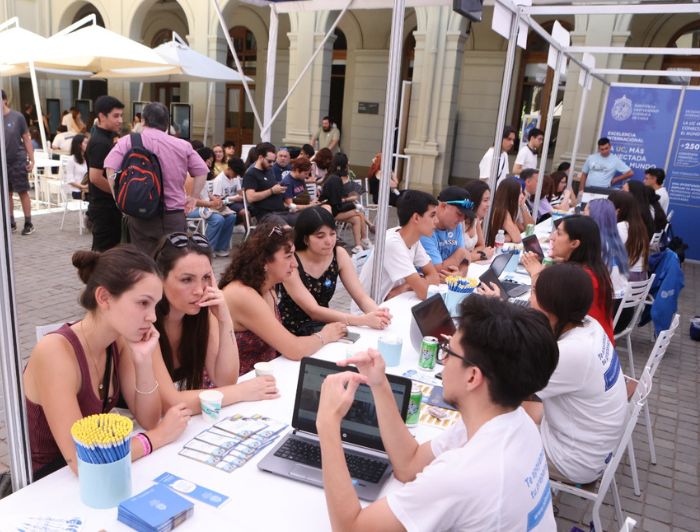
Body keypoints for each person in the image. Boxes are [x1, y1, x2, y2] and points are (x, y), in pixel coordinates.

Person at [316, 295, 559, 531]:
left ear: (472, 377)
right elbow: (408, 465)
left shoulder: (462, 474)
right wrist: (379, 384)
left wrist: (327, 424)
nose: (442, 360)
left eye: (448, 351)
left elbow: (350, 528)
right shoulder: (514, 421)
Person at [23, 246, 191, 480]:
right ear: (103, 297)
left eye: (155, 305)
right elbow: (83, 460)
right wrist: (159, 437)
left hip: (98, 471)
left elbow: (149, 419)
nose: (152, 317)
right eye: (143, 303)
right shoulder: (55, 352)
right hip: (48, 480)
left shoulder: (118, 340)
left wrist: (143, 361)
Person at [150, 233, 278, 410]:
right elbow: (168, 401)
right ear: (160, 279)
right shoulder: (146, 321)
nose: (199, 290)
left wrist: (224, 319)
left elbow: (225, 380)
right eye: (187, 279)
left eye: (205, 278)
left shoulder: (203, 313)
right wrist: (241, 392)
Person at [525, 263, 627, 484]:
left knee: (489, 426)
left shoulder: (572, 352)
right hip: (591, 442)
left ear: (550, 306)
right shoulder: (590, 325)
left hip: (573, 460)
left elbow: (510, 387)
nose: (529, 300)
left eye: (533, 292)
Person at [219, 221, 346, 375]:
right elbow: (294, 349)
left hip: (262, 377)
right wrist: (325, 335)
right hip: (238, 384)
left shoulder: (267, 287)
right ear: (264, 261)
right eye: (288, 256)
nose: (295, 264)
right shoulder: (243, 294)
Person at [104, 102, 208, 254]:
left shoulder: (128, 141)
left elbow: (110, 167)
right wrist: (194, 197)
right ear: (167, 123)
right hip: (173, 214)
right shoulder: (182, 145)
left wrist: (118, 197)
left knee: (145, 260)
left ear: (143, 121)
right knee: (174, 260)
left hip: (141, 213)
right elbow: (202, 171)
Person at [278, 206, 391, 335]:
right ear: (305, 239)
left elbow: (361, 297)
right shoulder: (292, 261)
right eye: (320, 236)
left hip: (325, 325)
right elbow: (313, 310)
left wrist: (378, 314)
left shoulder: (339, 254)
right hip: (291, 330)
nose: (329, 241)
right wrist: (362, 320)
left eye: (332, 234)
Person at [523, 215, 615, 343]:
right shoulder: (592, 268)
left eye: (559, 233)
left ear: (574, 243)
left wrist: (535, 274)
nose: (552, 237)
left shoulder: (581, 278)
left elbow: (542, 309)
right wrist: (563, 261)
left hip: (584, 344)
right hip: (595, 339)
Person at [357, 190, 440, 303]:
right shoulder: (393, 243)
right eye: (432, 215)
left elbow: (434, 276)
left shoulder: (413, 240)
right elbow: (424, 292)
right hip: (370, 309)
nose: (437, 221)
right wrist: (414, 285)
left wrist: (405, 287)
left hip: (391, 302)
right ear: (416, 218)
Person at [85, 95, 124, 251]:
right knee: (103, 255)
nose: (120, 120)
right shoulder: (100, 142)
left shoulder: (107, 137)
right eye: (116, 116)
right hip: (104, 208)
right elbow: (95, 177)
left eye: (121, 115)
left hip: (108, 207)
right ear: (102, 116)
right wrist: (119, 194)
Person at [319, 153, 372, 254]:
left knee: (356, 219)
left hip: (332, 208)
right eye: (347, 165)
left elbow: (338, 201)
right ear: (343, 166)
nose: (348, 167)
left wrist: (350, 203)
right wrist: (353, 205)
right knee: (358, 212)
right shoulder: (335, 179)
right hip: (329, 211)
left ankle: (358, 246)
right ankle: (364, 239)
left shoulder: (333, 177)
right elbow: (337, 205)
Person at [419, 186, 473, 277]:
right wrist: (461, 253)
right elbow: (436, 271)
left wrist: (460, 273)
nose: (462, 220)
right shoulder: (426, 228)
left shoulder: (456, 225)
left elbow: (464, 261)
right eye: (459, 214)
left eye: (465, 216)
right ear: (443, 206)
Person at [2, 90, 35, 235]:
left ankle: (28, 223)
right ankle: (11, 222)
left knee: (22, 191)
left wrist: (32, 159)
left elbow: (26, 138)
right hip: (3, 162)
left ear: (5, 100)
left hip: (17, 160)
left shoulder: (17, 117)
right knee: (7, 193)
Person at [242, 142, 298, 226]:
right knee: (287, 230)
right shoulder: (251, 174)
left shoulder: (269, 170)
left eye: (273, 161)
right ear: (261, 157)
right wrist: (272, 191)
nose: (272, 164)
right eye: (269, 161)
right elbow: (251, 198)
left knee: (306, 224)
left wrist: (280, 188)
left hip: (282, 211)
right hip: (265, 214)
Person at [585, 198, 630, 295]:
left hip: (607, 299)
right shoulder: (615, 242)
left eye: (585, 215)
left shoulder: (595, 245)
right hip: (622, 296)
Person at [609, 190, 649, 283]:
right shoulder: (639, 226)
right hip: (640, 277)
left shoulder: (619, 228)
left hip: (625, 278)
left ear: (617, 211)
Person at [486, 177, 533, 246]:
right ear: (511, 195)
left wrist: (522, 206)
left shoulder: (504, 208)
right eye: (519, 193)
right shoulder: (502, 212)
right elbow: (517, 238)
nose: (523, 196)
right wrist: (509, 236)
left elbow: (527, 228)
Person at [462, 179, 495, 262]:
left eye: (489, 200)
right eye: (485, 200)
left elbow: (481, 245)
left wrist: (471, 256)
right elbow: (458, 257)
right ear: (474, 201)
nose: (489, 204)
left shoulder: (475, 218)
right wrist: (481, 255)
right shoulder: (459, 221)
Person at [63, 134, 89, 200]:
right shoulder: (71, 160)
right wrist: (83, 187)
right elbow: (70, 180)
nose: (88, 145)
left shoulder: (87, 158)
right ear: (79, 145)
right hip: (77, 191)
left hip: (87, 190)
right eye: (86, 143)